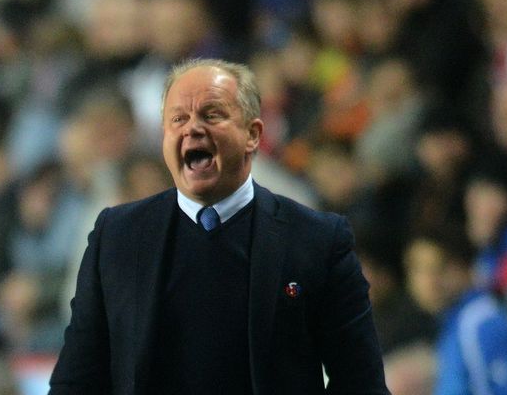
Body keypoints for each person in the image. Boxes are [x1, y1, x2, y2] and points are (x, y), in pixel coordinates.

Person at [49, 58, 389, 394]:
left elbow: (360, 383)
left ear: (252, 135)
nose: (192, 130)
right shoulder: (116, 235)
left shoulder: (318, 239)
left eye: (212, 115)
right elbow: (77, 380)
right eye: (178, 119)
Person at [404, 227, 507, 395]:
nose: (429, 282)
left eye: (439, 267)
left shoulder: (483, 325)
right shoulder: (453, 325)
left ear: (465, 267)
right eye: (418, 269)